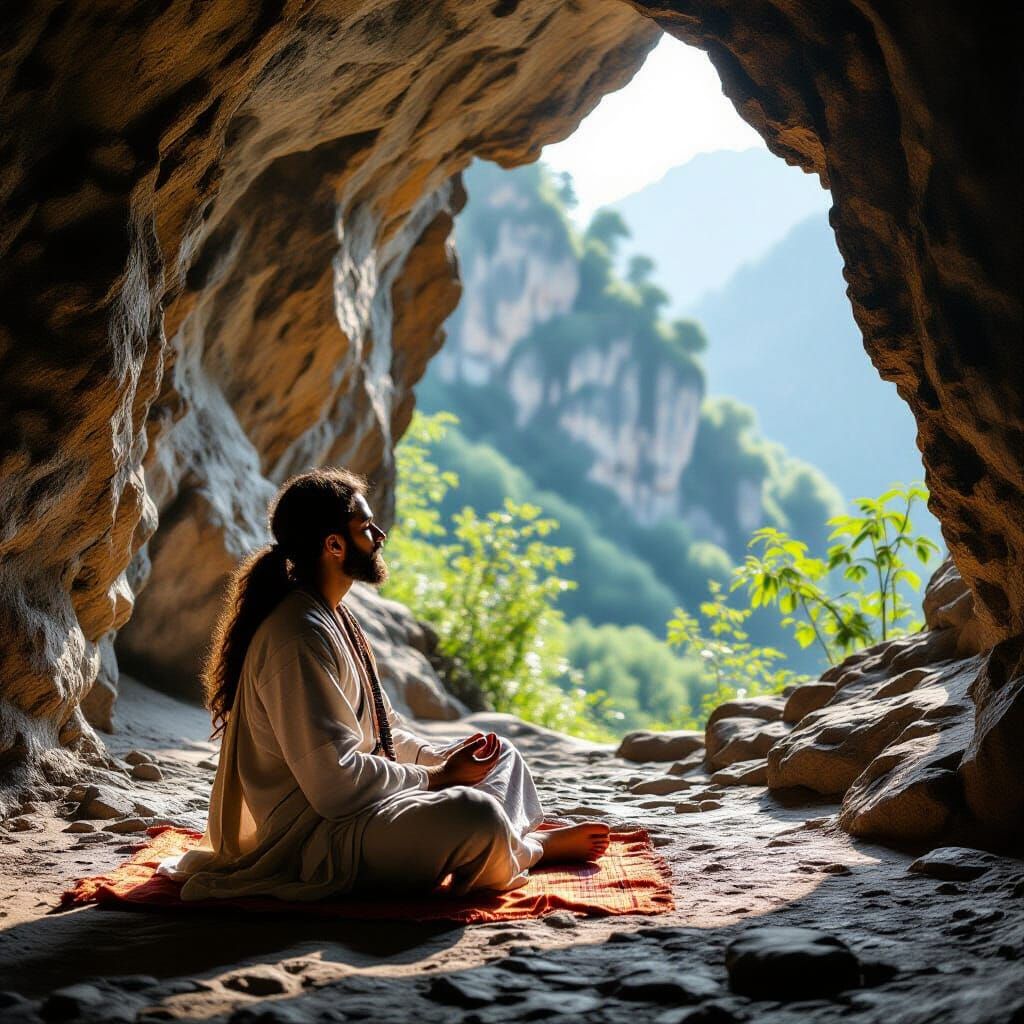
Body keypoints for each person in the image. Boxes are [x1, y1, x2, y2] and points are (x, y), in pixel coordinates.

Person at [159, 467, 609, 901]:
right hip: (317, 839)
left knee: (501, 756)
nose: (379, 537)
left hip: (364, 810)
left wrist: (443, 759)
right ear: (334, 545)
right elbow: (333, 787)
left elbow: (382, 728)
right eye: (366, 528)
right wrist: (436, 779)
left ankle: (502, 846)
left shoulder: (333, 616)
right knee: (476, 814)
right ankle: (532, 849)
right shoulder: (297, 635)